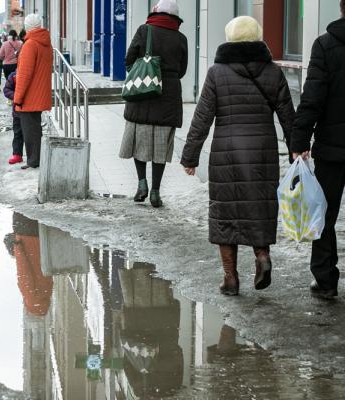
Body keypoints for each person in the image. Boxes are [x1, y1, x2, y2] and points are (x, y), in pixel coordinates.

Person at [180, 16, 295, 296]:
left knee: (225, 213)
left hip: (226, 153)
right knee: (259, 207)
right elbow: (288, 116)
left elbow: (202, 117)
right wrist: (296, 149)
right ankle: (262, 257)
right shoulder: (273, 71)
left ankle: (230, 278)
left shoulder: (217, 72)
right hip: (262, 152)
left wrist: (190, 156)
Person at [291, 1, 345, 300]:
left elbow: (312, 96)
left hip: (332, 148)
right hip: (331, 146)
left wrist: (300, 141)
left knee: (325, 212)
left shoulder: (325, 45)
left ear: (341, 8)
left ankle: (325, 280)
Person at [119, 0, 187, 207]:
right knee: (160, 147)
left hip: (142, 95)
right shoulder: (181, 38)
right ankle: (156, 192)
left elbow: (128, 60)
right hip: (169, 97)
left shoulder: (144, 30)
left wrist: (143, 72)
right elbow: (182, 70)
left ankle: (142, 184)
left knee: (139, 141)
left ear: (156, 13)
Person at [14, 14, 52, 169]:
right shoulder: (46, 43)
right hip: (40, 93)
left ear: (28, 27)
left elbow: (24, 75)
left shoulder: (30, 45)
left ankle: (33, 161)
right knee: (35, 129)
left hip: (30, 95)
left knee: (30, 130)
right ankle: (36, 159)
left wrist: (18, 97)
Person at [3, 70, 24, 164]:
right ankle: (17, 154)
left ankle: (34, 156)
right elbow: (6, 89)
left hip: (31, 109)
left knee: (31, 135)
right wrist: (16, 96)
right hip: (17, 111)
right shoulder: (14, 75)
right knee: (18, 133)